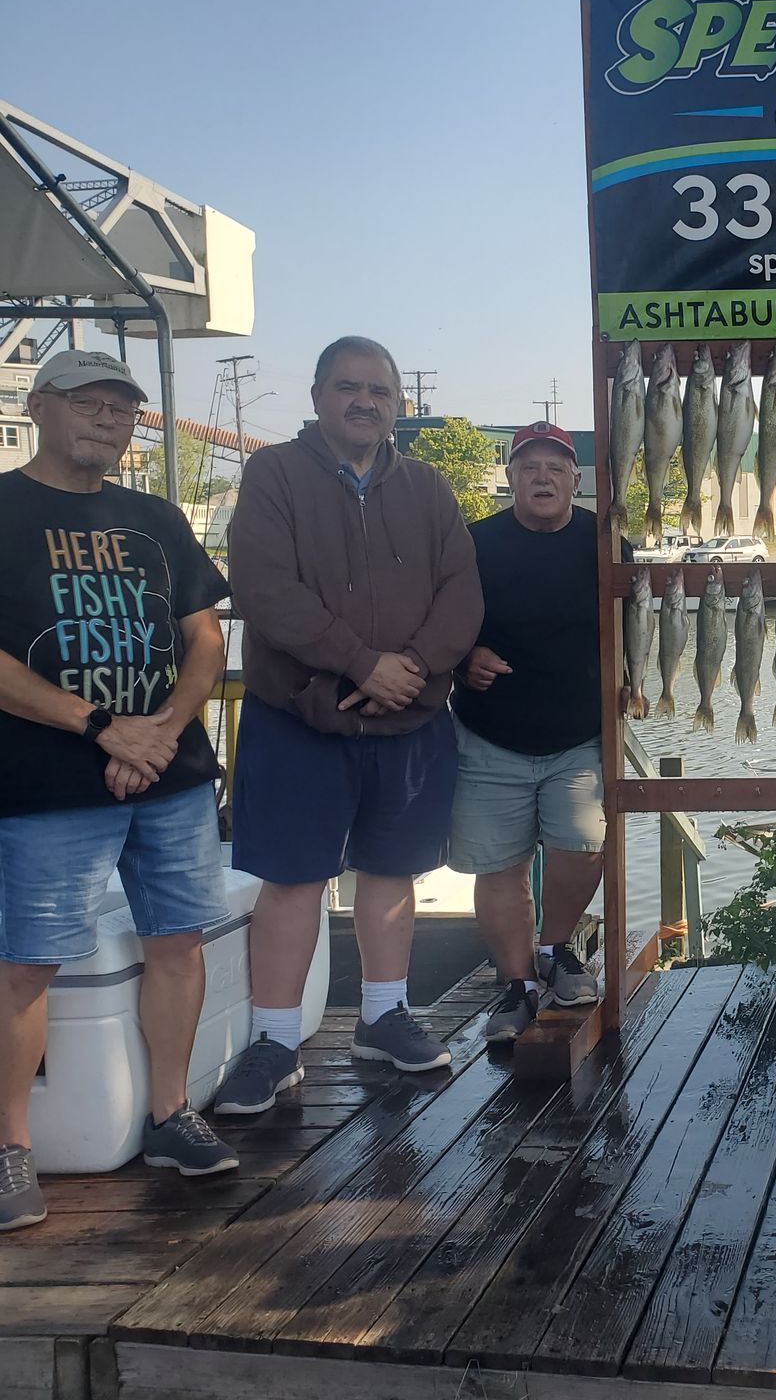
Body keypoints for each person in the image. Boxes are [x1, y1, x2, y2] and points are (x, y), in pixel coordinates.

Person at [212, 337, 482, 1114]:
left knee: (392, 874)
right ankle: (273, 1042)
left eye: (380, 390)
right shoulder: (272, 476)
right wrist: (360, 663)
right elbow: (264, 589)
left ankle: (383, 1017)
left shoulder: (430, 488)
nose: (365, 400)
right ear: (318, 395)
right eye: (348, 387)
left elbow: (461, 593)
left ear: (398, 402)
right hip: (298, 715)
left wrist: (413, 668)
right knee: (292, 880)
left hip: (409, 719)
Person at [1, 352, 239, 1231]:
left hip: (169, 775)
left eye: (123, 409)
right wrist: (102, 727)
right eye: (89, 403)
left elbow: (203, 639)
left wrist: (163, 730)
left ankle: (172, 1114)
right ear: (40, 406)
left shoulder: (156, 516)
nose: (108, 419)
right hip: (47, 781)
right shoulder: (2, 508)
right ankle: (10, 1151)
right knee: (27, 964)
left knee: (178, 944)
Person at [451, 421, 615, 1041]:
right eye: (529, 467)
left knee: (583, 849)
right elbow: (439, 621)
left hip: (577, 735)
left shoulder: (601, 541)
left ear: (575, 479)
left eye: (555, 468)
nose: (541, 477)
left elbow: (636, 619)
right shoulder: (473, 543)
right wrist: (463, 656)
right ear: (511, 477)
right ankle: (516, 983)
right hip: (489, 733)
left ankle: (556, 948)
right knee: (499, 867)